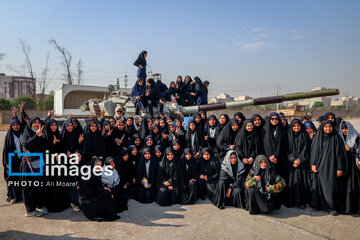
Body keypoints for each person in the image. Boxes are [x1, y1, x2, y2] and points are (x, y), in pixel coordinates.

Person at [310, 120, 346, 215]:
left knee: (330, 187)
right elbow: (313, 152)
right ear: (322, 127)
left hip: (331, 167)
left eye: (330, 127)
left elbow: (340, 155)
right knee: (318, 186)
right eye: (326, 127)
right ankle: (318, 205)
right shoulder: (317, 137)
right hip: (319, 166)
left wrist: (340, 168)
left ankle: (331, 207)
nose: (328, 128)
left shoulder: (336, 138)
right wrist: (313, 164)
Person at [21, 117, 47, 217]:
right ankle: (30, 210)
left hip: (39, 163)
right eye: (34, 122)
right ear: (30, 124)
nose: (37, 124)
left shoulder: (40, 134)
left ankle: (39, 205)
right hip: (28, 165)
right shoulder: (27, 134)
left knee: (40, 186)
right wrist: (36, 136)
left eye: (38, 122)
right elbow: (28, 146)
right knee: (29, 187)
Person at [285, 119, 310, 209]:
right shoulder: (288, 136)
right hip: (291, 164)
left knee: (301, 183)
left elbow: (306, 149)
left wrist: (299, 160)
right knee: (292, 182)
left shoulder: (304, 135)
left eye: (298, 126)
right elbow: (286, 149)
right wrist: (293, 159)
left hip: (301, 164)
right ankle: (291, 201)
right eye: (294, 126)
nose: (296, 128)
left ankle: (301, 202)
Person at [339, 120, 360, 214]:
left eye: (346, 128)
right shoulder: (339, 138)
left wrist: (351, 149)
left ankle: (352, 208)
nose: (344, 131)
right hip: (343, 166)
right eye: (342, 129)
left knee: (352, 186)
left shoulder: (356, 137)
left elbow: (358, 151)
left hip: (353, 167)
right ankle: (344, 208)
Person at [3, 118, 24, 204]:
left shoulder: (22, 133)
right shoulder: (9, 136)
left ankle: (21, 195)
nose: (16, 126)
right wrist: (6, 163)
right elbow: (5, 150)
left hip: (22, 160)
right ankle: (13, 196)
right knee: (12, 179)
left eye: (17, 125)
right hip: (13, 161)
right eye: (14, 125)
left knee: (22, 178)